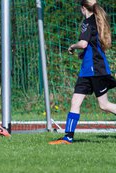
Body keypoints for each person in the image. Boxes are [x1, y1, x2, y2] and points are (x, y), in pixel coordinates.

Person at [49, 0, 116, 145]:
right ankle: (68, 138)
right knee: (76, 101)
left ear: (83, 8)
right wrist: (84, 54)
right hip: (89, 69)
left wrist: (73, 46)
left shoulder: (87, 22)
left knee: (103, 105)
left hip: (95, 70)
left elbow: (84, 43)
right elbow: (92, 46)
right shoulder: (96, 21)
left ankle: (68, 137)